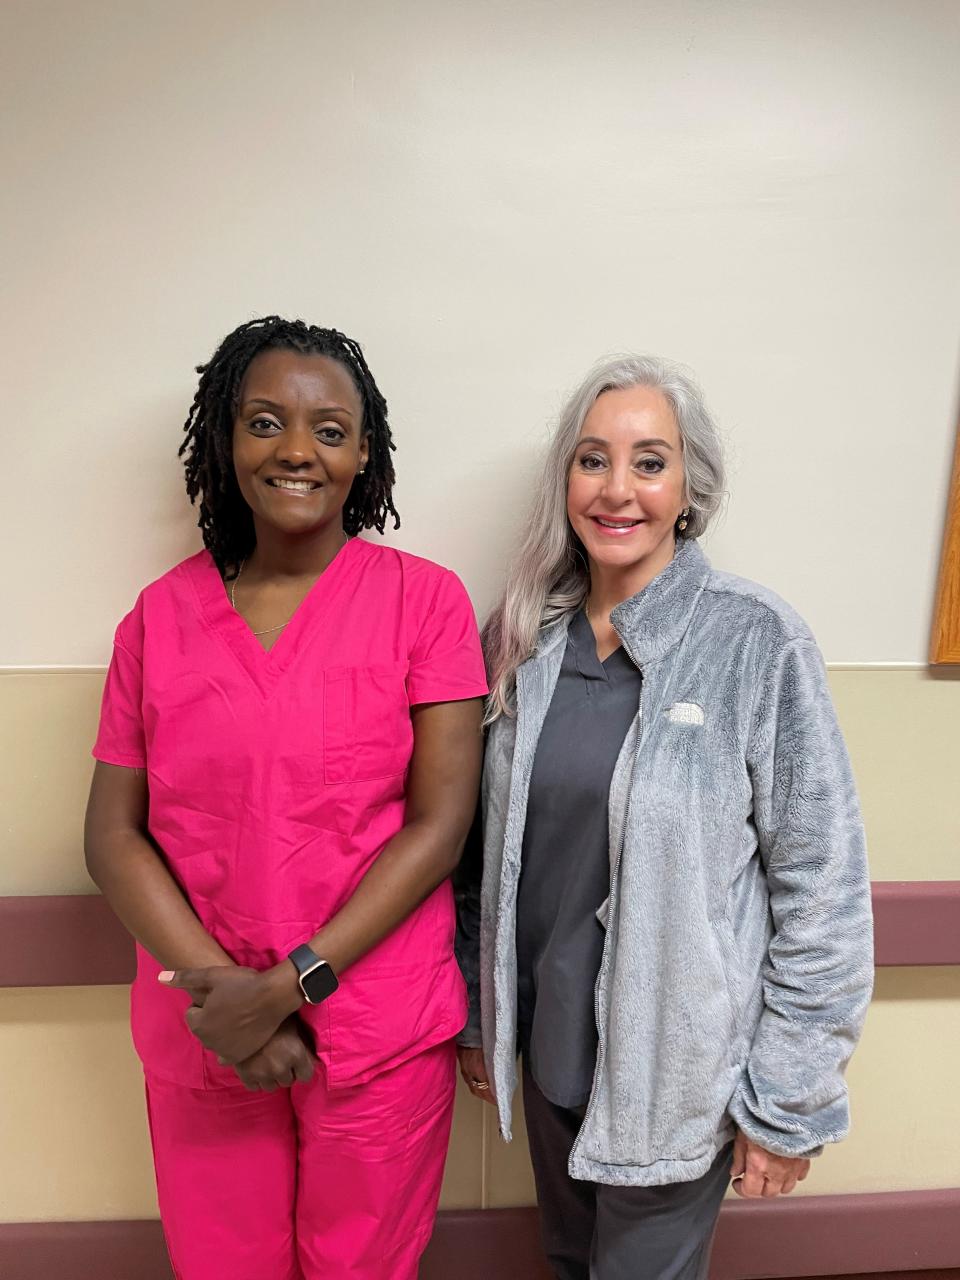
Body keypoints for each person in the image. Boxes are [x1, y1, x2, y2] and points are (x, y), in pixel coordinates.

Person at [84, 316, 487, 1280]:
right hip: (209, 1031)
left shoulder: (425, 604)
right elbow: (112, 837)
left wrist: (288, 985)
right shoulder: (158, 619)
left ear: (363, 456)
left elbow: (438, 828)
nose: (297, 450)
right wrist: (229, 1004)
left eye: (330, 430)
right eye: (266, 422)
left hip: (372, 1027)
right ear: (226, 440)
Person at [455, 355, 874, 1280]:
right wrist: (485, 1019)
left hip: (676, 1076)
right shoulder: (519, 641)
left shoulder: (755, 641)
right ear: (565, 480)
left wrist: (790, 1102)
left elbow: (824, 891)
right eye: (592, 459)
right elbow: (482, 859)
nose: (617, 490)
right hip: (548, 1055)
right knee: (568, 1265)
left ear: (690, 487)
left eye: (649, 462)